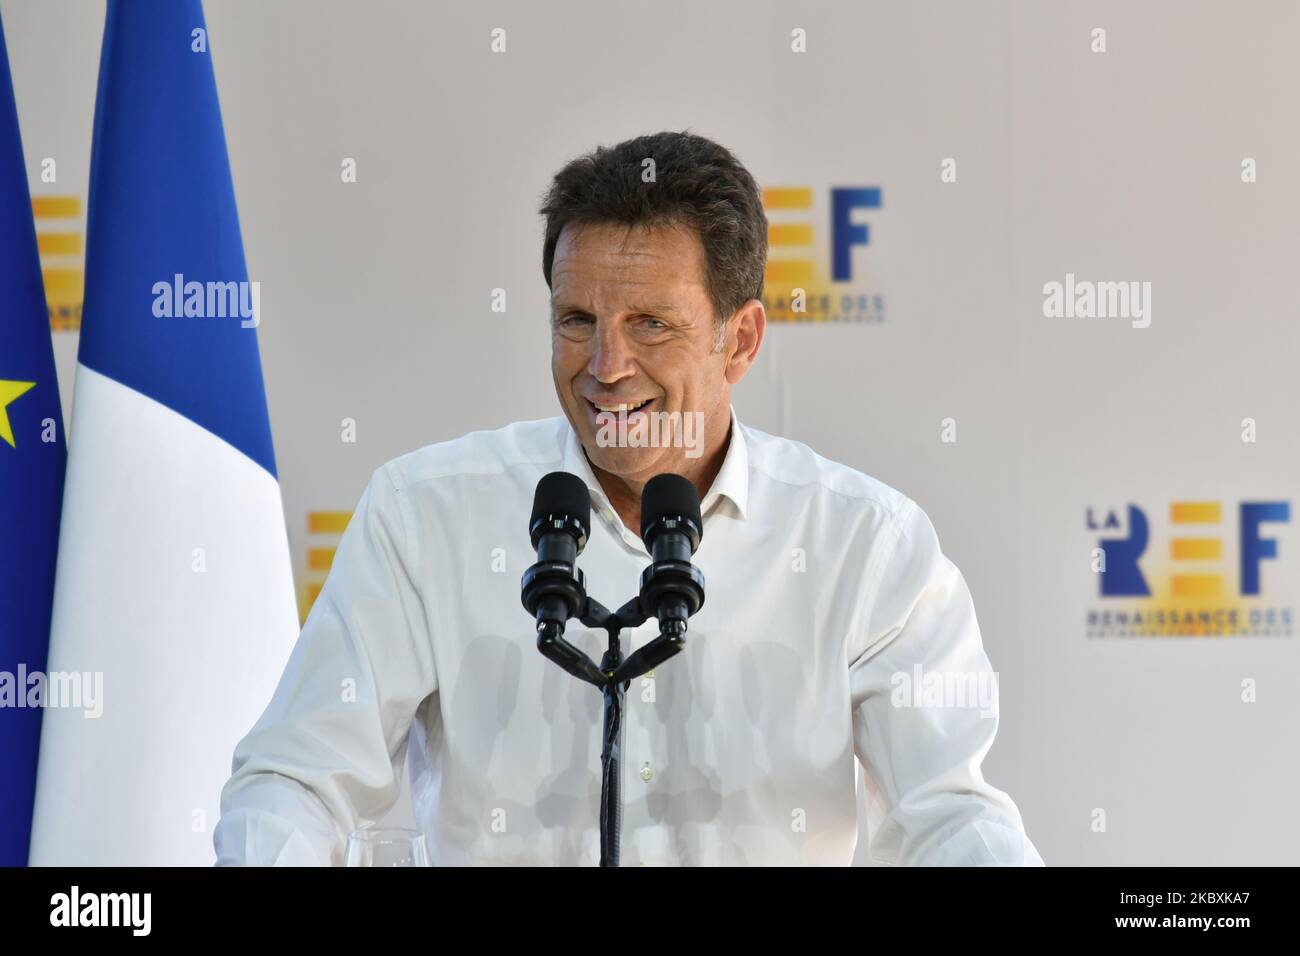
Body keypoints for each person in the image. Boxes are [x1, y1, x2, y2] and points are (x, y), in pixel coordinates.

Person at [215, 130, 1043, 866]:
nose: (606, 366)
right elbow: (300, 778)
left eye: (651, 324)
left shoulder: (867, 544)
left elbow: (946, 816)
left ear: (740, 339)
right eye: (577, 320)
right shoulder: (426, 513)